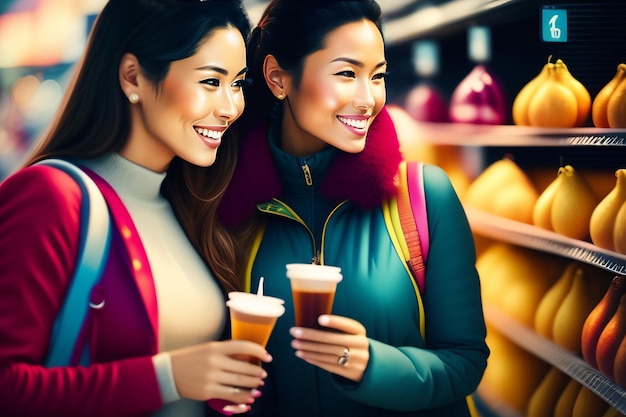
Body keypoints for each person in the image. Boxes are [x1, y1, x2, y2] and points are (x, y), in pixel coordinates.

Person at [215, 0, 490, 416]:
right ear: (277, 78)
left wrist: (370, 365)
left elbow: (465, 362)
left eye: (377, 76)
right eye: (346, 73)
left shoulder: (422, 196)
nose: (368, 98)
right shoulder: (232, 209)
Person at [0, 1, 271, 416]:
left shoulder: (193, 204)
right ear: (133, 77)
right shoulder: (53, 196)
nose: (231, 107)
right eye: (211, 81)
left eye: (237, 84)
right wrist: (168, 377)